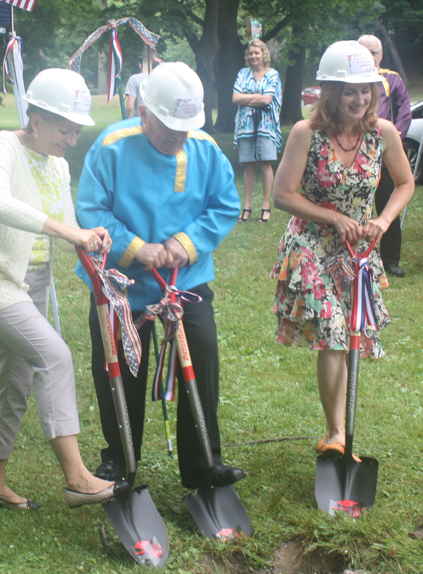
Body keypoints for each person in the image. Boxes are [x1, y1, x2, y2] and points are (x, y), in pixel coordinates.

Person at [0, 68, 127, 510]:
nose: (72, 139)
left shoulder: (59, 165)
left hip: (30, 283)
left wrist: (88, 235)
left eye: (76, 130)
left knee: (16, 380)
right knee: (54, 356)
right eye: (65, 129)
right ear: (36, 120)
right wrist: (66, 230)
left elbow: (67, 225)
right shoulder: (0, 148)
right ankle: (76, 478)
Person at [75, 62, 245, 489]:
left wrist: (183, 245)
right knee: (119, 370)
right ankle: (120, 461)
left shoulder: (205, 148)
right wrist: (136, 248)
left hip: (184, 284)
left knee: (200, 359)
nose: (178, 137)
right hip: (120, 286)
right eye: (169, 127)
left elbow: (224, 205)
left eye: (185, 128)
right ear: (144, 112)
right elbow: (91, 210)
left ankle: (205, 462)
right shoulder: (111, 146)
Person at [270, 42, 413, 457]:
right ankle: (335, 435)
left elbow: (405, 184)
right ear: (330, 92)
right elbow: (282, 194)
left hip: (357, 253)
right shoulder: (306, 133)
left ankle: (338, 431)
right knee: (333, 332)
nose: (360, 98)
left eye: (365, 89)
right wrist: (331, 216)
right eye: (350, 91)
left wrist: (382, 222)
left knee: (351, 337)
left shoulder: (382, 134)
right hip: (312, 244)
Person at [358, 34, 412, 277]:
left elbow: (404, 110)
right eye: (364, 52)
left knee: (389, 204)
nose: (370, 56)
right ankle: (356, 254)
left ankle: (390, 260)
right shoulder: (349, 81)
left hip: (384, 153)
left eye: (374, 52)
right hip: (353, 151)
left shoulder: (392, 78)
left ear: (381, 55)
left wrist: (394, 141)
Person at [232, 38, 282, 223]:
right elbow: (235, 99)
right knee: (249, 165)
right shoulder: (243, 74)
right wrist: (256, 96)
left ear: (264, 54)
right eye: (250, 53)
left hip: (266, 126)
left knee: (265, 165)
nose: (253, 56)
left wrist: (247, 98)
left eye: (257, 53)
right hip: (245, 126)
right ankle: (246, 207)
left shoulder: (273, 75)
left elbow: (267, 100)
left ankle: (265, 206)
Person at [124, 49, 158, 119]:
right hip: (156, 123)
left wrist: (127, 123)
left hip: (139, 121)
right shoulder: (159, 79)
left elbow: (129, 107)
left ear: (140, 65)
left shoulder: (134, 79)